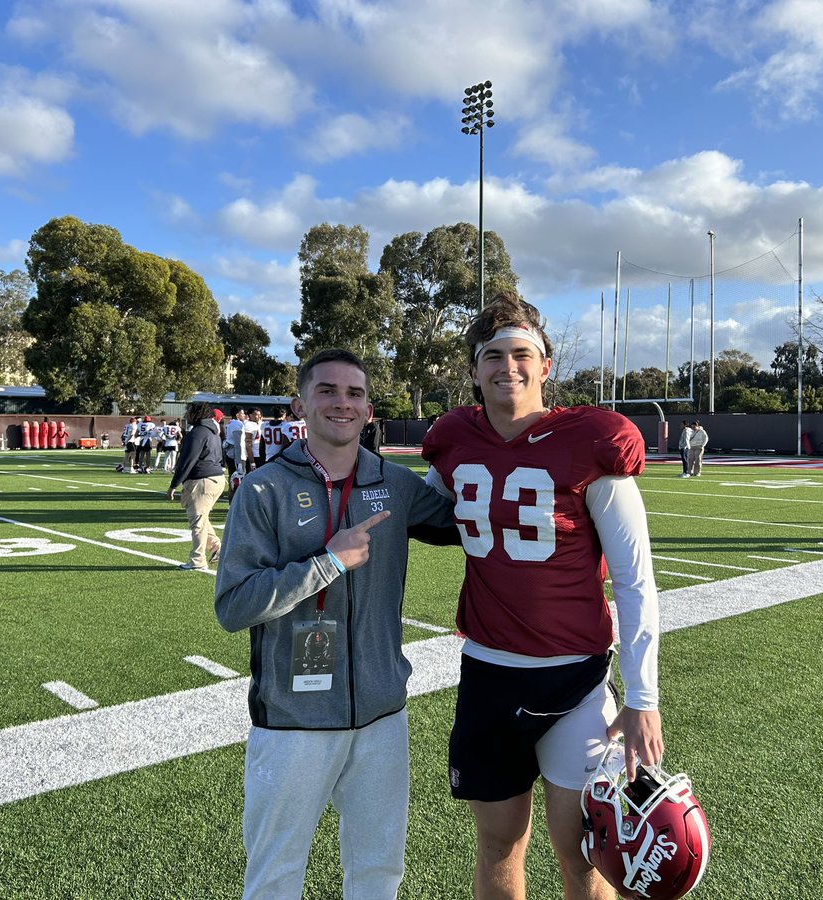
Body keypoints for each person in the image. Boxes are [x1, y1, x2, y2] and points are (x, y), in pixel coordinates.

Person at [421, 290, 662, 900]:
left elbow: (634, 578)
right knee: (498, 845)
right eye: (494, 355)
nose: (509, 367)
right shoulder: (454, 438)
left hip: (573, 680)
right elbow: (417, 510)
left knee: (585, 854)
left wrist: (642, 696)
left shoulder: (591, 440)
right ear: (474, 370)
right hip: (487, 674)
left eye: (522, 354)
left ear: (545, 365)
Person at [215, 348, 455, 900]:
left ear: (370, 409)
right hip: (293, 721)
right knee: (275, 877)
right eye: (327, 390)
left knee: (377, 874)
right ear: (300, 403)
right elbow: (233, 606)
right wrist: (325, 563)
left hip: (381, 716)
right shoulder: (262, 489)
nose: (341, 403)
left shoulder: (395, 484)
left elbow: (469, 518)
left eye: (354, 393)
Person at [166, 402, 226, 570]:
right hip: (216, 478)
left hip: (202, 480)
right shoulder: (212, 431)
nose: (187, 415)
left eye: (190, 412)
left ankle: (198, 561)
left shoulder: (197, 433)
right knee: (202, 518)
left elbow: (187, 461)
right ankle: (216, 546)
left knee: (197, 522)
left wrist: (173, 485)